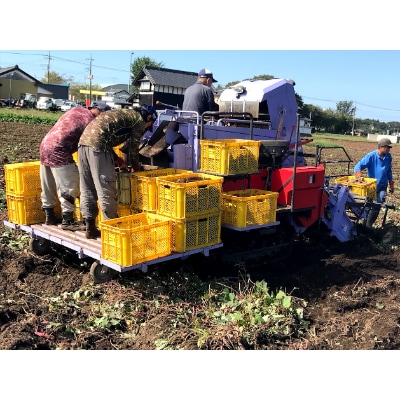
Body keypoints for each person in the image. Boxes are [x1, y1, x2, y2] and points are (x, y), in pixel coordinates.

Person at [77, 105, 157, 239]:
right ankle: (112, 230)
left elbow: (105, 138)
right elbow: (133, 148)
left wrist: (119, 161)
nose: (147, 127)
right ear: (148, 117)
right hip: (98, 148)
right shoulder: (138, 120)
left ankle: (90, 227)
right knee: (106, 187)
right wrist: (136, 166)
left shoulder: (124, 113)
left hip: (83, 145)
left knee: (87, 187)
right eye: (150, 124)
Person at [39, 101, 111, 230]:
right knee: (70, 185)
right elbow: (95, 145)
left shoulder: (77, 110)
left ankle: (49, 216)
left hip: (45, 145)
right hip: (60, 149)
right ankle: (68, 221)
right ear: (99, 112)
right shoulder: (91, 122)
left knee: (48, 184)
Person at [353, 137, 395, 227]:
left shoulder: (388, 156)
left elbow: (389, 171)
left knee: (378, 205)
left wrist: (391, 184)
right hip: (372, 186)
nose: (389, 149)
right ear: (382, 147)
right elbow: (358, 166)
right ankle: (364, 224)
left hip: (382, 185)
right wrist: (358, 175)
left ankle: (368, 225)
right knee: (368, 205)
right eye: (388, 147)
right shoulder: (371, 156)